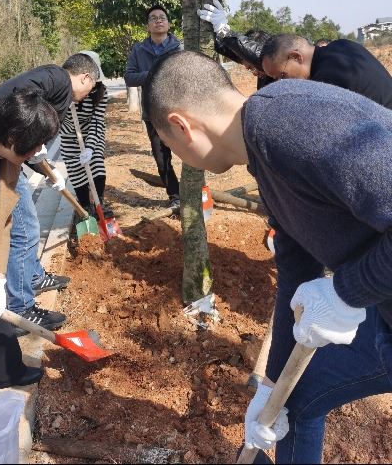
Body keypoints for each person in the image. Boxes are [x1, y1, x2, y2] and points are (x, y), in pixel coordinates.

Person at [143, 50, 392, 464]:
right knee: (295, 397)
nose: (180, 160)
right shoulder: (265, 150)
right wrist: (271, 386)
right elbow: (296, 269)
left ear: (181, 126)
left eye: (169, 148)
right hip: (384, 307)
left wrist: (347, 290)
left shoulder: (289, 128)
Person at [0, 53, 100, 332]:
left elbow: (27, 141)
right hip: (4, 156)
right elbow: (22, 98)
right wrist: (34, 141)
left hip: (7, 156)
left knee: (26, 223)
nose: (88, 95)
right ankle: (21, 306)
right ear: (85, 77)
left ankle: (33, 276)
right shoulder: (57, 79)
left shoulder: (56, 84)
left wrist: (46, 170)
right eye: (91, 87)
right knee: (25, 229)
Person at [0, 89, 59, 391]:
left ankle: (6, 373)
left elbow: (2, 222)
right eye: (34, 143)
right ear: (11, 137)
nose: (39, 150)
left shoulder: (8, 161)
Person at [124, 4, 181, 209]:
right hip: (153, 113)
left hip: (178, 110)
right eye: (153, 18)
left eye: (162, 17)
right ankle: (175, 195)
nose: (158, 20)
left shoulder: (179, 48)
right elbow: (129, 77)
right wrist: (152, 74)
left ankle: (195, 191)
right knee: (161, 157)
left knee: (190, 152)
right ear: (148, 26)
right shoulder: (139, 50)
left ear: (168, 23)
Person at [260, 34, 392, 108]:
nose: (282, 84)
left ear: (296, 57)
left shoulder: (325, 83)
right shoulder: (343, 44)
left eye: (282, 76)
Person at [60, 51, 111, 217]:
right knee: (76, 171)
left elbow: (97, 120)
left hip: (92, 132)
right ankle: (85, 209)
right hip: (69, 135)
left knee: (96, 165)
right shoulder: (63, 93)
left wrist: (89, 147)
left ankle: (99, 204)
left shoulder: (101, 93)